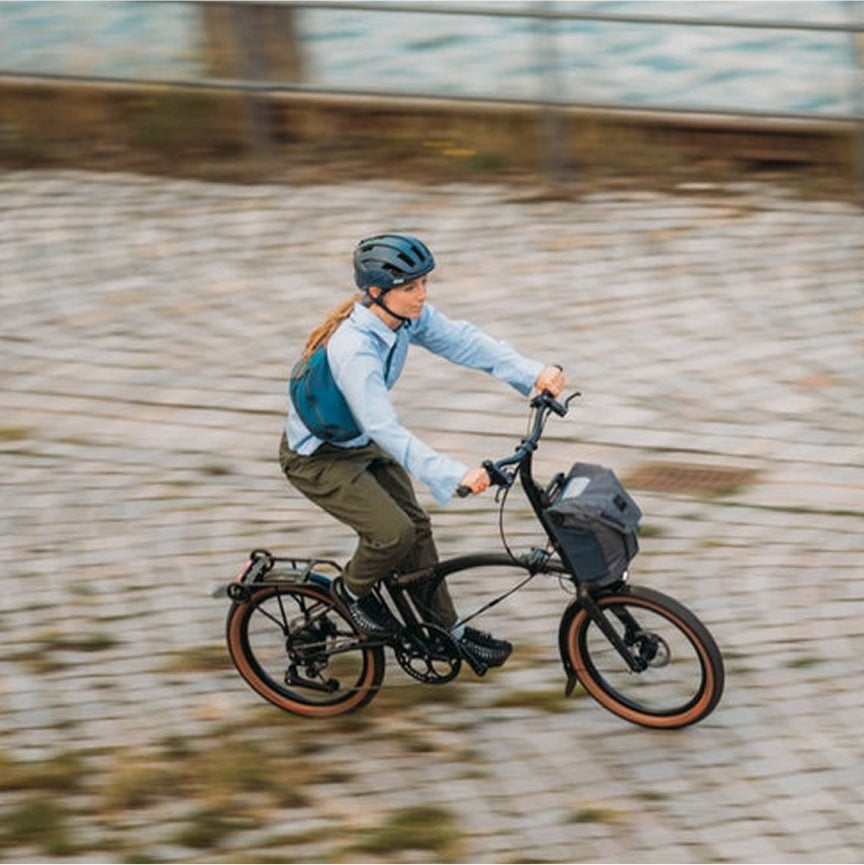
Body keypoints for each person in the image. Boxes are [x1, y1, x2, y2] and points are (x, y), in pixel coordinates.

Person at [280, 233, 565, 675]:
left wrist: (534, 373)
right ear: (377, 292)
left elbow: (465, 342)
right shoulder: (354, 348)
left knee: (417, 528)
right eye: (411, 287)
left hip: (359, 441)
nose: (422, 295)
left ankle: (444, 633)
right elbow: (383, 427)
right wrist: (453, 474)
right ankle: (349, 594)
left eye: (424, 284)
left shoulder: (405, 320)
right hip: (319, 457)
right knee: (393, 533)